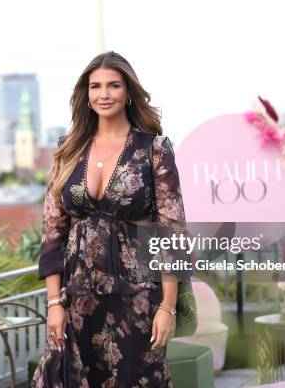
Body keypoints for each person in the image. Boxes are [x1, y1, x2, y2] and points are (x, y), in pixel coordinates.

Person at [31, 51, 188, 388]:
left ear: (128, 92)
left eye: (113, 85)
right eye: (95, 86)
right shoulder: (67, 150)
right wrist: (54, 303)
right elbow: (52, 232)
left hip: (139, 296)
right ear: (86, 96)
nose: (104, 94)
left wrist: (169, 307)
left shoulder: (154, 149)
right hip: (77, 295)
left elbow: (171, 233)